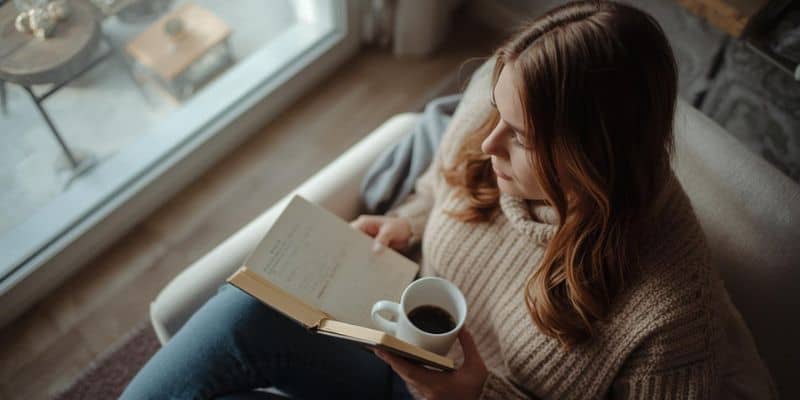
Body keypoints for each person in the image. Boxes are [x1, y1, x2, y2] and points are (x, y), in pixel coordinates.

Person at [122, 1, 775, 399]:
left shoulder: (669, 320)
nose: (487, 141)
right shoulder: (497, 125)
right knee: (247, 305)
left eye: (518, 137)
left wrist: (472, 397)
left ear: (590, 157)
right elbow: (439, 188)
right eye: (496, 111)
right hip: (394, 354)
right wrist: (403, 225)